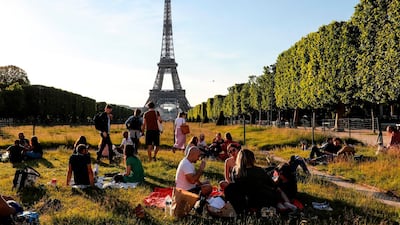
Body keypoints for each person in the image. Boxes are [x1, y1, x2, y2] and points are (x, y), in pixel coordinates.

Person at [224, 149, 295, 214]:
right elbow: (273, 184)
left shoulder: (235, 171)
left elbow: (235, 185)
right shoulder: (259, 170)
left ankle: (280, 206)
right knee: (276, 190)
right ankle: (285, 204)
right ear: (252, 159)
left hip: (246, 200)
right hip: (262, 199)